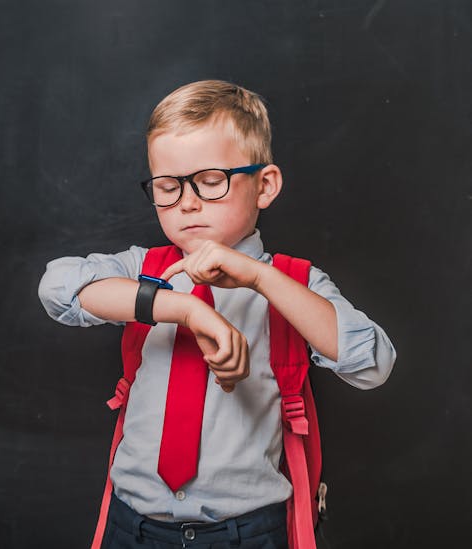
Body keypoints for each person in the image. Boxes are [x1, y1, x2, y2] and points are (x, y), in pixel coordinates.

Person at [38, 80, 396, 549]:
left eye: (210, 182)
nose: (186, 202)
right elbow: (58, 288)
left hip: (246, 531)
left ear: (264, 186)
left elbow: (371, 363)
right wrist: (183, 308)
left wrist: (261, 280)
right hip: (135, 526)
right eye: (167, 187)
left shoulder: (295, 284)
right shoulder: (141, 269)